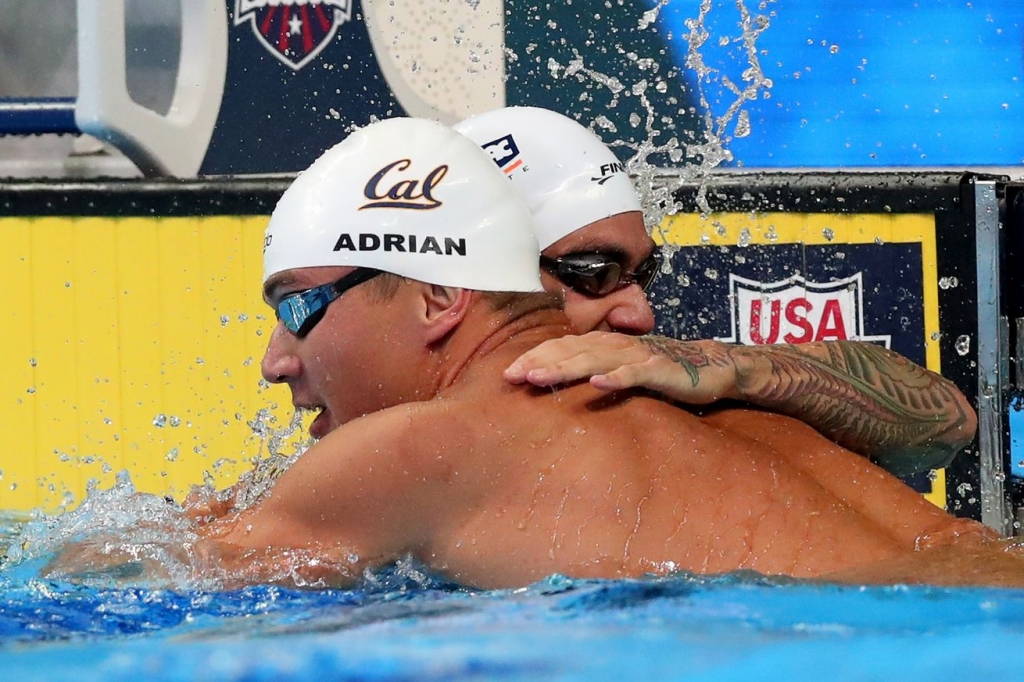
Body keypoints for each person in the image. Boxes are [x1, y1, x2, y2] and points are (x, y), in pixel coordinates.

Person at [59, 116, 1023, 590]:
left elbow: (119, 588)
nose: (634, 317)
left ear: (443, 294)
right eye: (589, 272)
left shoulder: (428, 448)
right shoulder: (743, 426)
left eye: (303, 308)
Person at [454, 107, 976, 476]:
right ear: (472, 283)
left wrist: (735, 365)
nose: (641, 314)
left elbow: (948, 425)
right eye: (595, 273)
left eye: (643, 274)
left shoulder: (667, 391)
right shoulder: (389, 447)